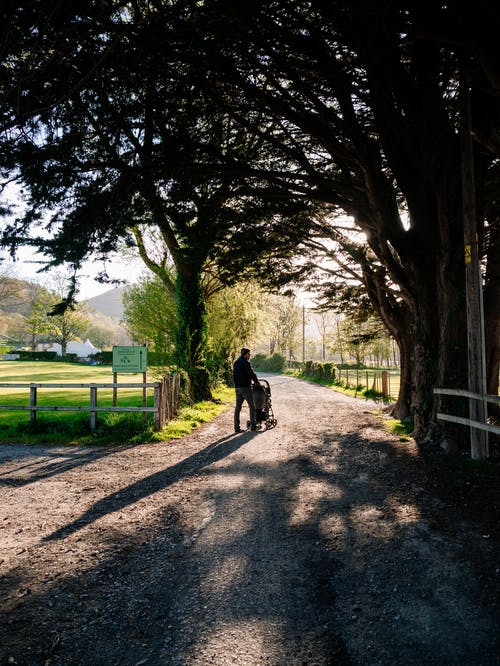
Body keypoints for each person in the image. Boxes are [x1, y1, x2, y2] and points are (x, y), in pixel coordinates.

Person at [233, 347, 260, 433]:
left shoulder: (236, 363)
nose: (250, 355)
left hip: (237, 388)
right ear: (245, 354)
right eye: (249, 354)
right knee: (252, 406)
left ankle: (236, 428)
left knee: (238, 408)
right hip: (246, 388)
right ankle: (253, 426)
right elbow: (251, 374)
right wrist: (257, 382)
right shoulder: (246, 363)